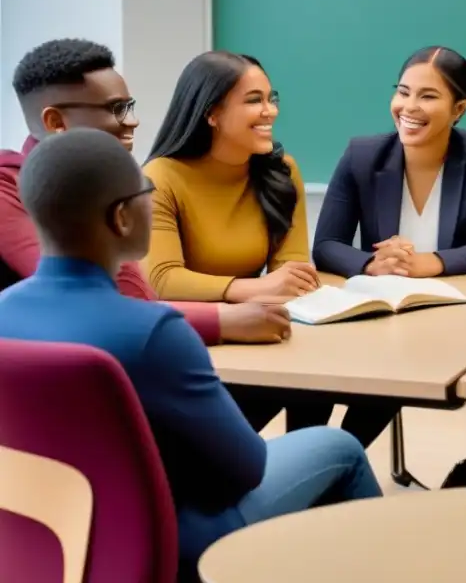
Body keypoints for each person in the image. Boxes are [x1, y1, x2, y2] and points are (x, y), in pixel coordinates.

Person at [0, 128, 382, 578]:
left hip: (53, 539)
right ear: (122, 217)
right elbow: (246, 468)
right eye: (148, 193)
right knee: (339, 446)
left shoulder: (4, 313)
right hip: (176, 536)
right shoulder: (154, 332)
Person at [0, 38, 290, 346]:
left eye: (130, 107)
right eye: (117, 109)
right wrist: (221, 319)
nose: (133, 121)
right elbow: (85, 295)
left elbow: (135, 297)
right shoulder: (8, 189)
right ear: (56, 122)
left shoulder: (103, 185)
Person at [312, 45, 466, 450]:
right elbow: (326, 245)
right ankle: (310, 459)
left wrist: (429, 263)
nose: (409, 106)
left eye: (428, 96)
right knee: (312, 382)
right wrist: (371, 264)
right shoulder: (362, 155)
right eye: (403, 92)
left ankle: (337, 457)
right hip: (378, 315)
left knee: (403, 369)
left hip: (456, 319)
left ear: (459, 109)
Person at [142, 51, 330, 431]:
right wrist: (255, 288)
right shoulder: (161, 177)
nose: (270, 111)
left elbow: (290, 267)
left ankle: (315, 477)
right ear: (211, 113)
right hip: (191, 343)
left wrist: (281, 285)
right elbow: (161, 279)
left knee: (319, 382)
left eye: (270, 98)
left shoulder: (281, 170)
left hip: (256, 332)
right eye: (253, 101)